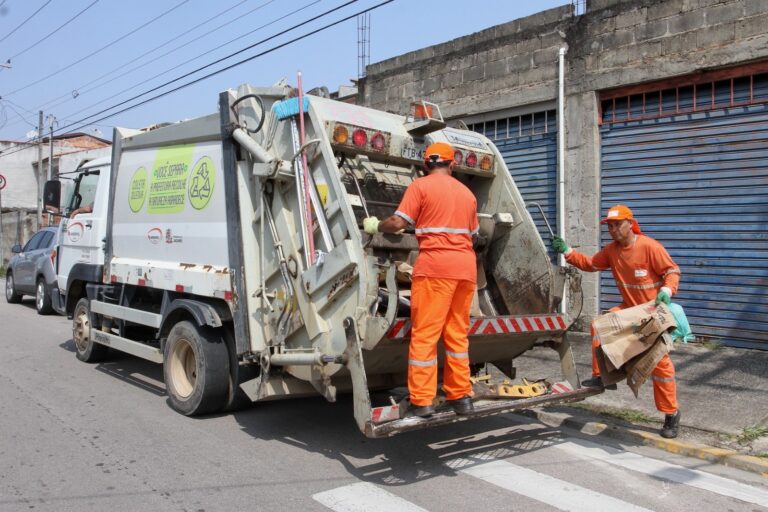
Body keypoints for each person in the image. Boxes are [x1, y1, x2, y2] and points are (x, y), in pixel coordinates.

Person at [363, 142, 479, 418]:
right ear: (452, 165)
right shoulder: (468, 194)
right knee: (457, 335)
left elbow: (397, 223)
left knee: (426, 334)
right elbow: (474, 236)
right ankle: (460, 396)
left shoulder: (420, 186)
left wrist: (375, 225)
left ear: (427, 165)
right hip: (465, 269)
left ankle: (423, 401)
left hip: (435, 268)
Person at [551, 204, 682, 438]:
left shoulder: (649, 246)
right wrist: (568, 251)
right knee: (599, 325)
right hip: (629, 311)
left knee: (661, 367)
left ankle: (671, 414)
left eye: (616, 225)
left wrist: (667, 291)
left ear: (630, 224)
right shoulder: (611, 251)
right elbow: (590, 264)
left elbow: (672, 271)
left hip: (652, 313)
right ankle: (602, 376)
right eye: (609, 226)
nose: (612, 230)